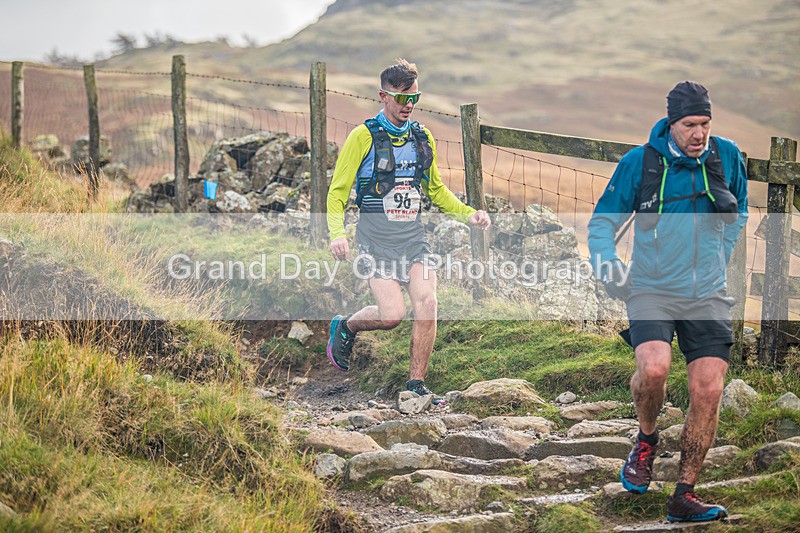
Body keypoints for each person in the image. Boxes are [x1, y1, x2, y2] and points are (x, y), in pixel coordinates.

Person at [588, 81, 748, 522]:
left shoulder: (726, 156)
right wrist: (605, 262)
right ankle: (646, 438)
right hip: (652, 286)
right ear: (671, 124)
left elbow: (741, 211)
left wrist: (723, 251)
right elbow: (604, 222)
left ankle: (684, 493)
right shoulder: (640, 164)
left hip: (709, 291)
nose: (699, 134)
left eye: (705, 124)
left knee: (708, 388)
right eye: (690, 125)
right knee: (654, 368)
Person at [325, 58, 491, 405]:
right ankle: (347, 326)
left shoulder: (421, 137)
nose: (409, 105)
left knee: (428, 302)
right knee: (392, 316)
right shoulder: (362, 137)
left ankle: (416, 385)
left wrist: (468, 214)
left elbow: (436, 191)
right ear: (383, 97)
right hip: (375, 241)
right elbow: (338, 191)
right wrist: (337, 234)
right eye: (402, 98)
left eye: (414, 97)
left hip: (413, 239)